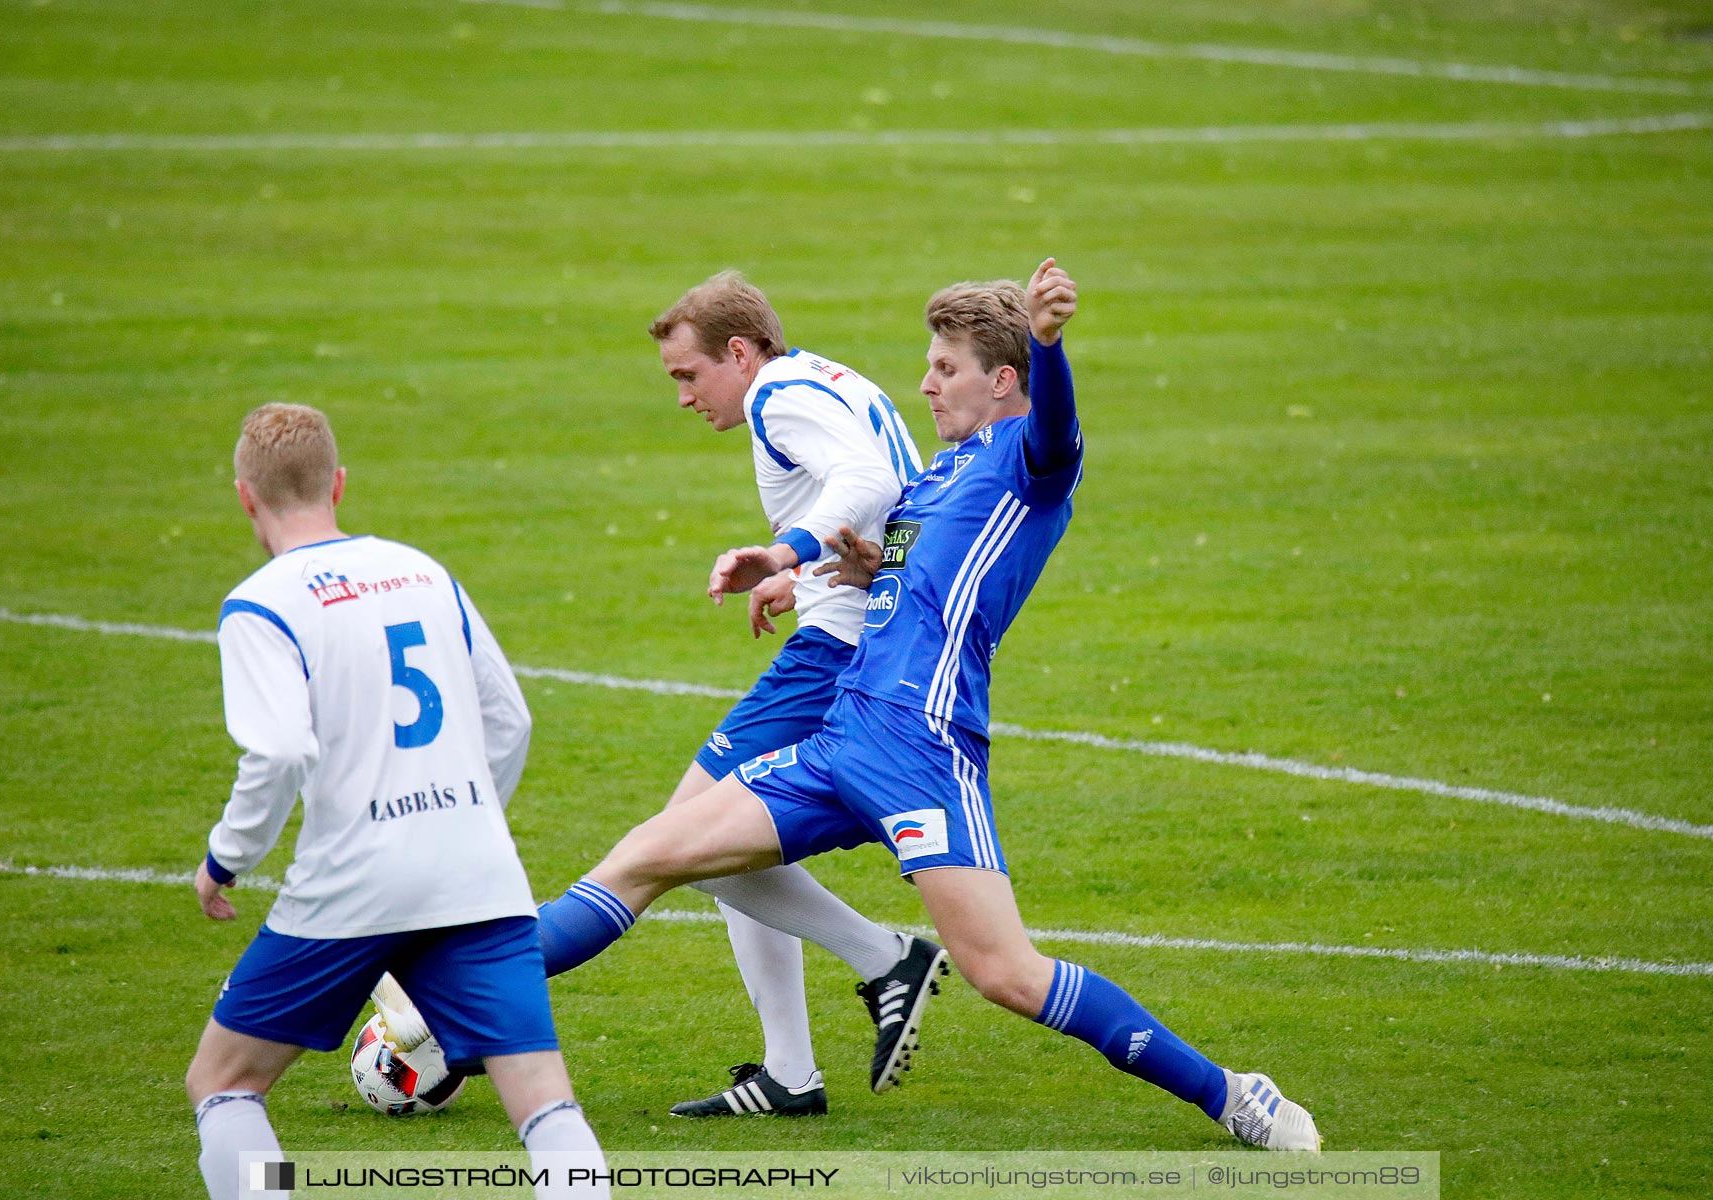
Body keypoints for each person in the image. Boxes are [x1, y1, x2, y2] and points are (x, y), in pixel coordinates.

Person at [525, 261, 1322, 1151]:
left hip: (922, 749)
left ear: (1002, 380)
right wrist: (818, 574)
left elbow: (1056, 430)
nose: (925, 382)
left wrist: (1052, 344)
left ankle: (1228, 1092)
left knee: (1006, 974)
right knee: (648, 855)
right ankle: (461, 997)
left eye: (945, 368)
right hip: (839, 739)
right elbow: (908, 580)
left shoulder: (1031, 461)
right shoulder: (941, 476)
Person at [185, 404, 610, 1200]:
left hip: (354, 879)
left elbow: (278, 751)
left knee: (225, 1080)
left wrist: (225, 859)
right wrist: (468, 817)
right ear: (338, 483)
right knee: (545, 1102)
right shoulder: (423, 570)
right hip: (474, 870)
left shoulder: (262, 602)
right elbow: (510, 720)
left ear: (246, 497)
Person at [648, 272, 947, 1115]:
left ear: (739, 353)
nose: (683, 396)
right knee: (722, 846)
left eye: (688, 374)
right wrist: (818, 575)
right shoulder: (827, 377)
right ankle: (789, 1074)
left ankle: (886, 958)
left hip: (839, 655)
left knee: (687, 841)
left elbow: (864, 482)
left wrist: (789, 555)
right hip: (862, 630)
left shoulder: (778, 397)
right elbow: (897, 486)